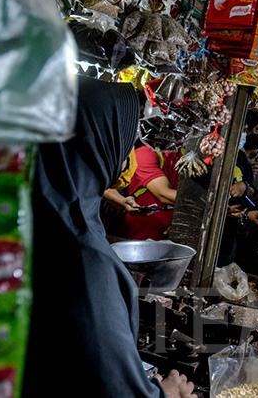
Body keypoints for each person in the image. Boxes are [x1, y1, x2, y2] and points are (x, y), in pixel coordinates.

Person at [25, 76, 195, 397]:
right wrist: (167, 392)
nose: (130, 154)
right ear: (97, 141)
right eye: (128, 141)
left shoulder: (30, 215)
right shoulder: (84, 256)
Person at [121, 146, 180, 240]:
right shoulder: (144, 154)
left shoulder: (184, 156)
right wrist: (200, 202)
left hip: (174, 231)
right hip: (144, 234)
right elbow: (164, 194)